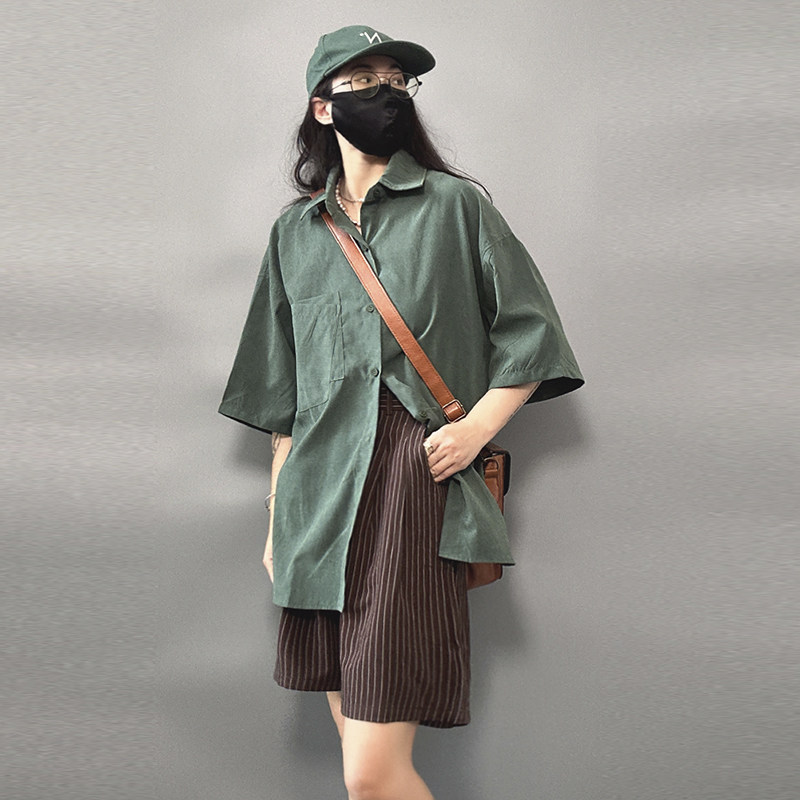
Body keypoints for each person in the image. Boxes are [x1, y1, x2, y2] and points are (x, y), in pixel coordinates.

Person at [218, 24, 584, 800]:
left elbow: (532, 332)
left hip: (411, 478)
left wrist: (476, 428)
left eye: (396, 79)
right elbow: (283, 400)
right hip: (316, 494)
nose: (384, 92)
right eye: (362, 81)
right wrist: (278, 520)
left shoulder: (455, 207)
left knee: (370, 775)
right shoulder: (295, 233)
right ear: (322, 106)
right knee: (367, 773)